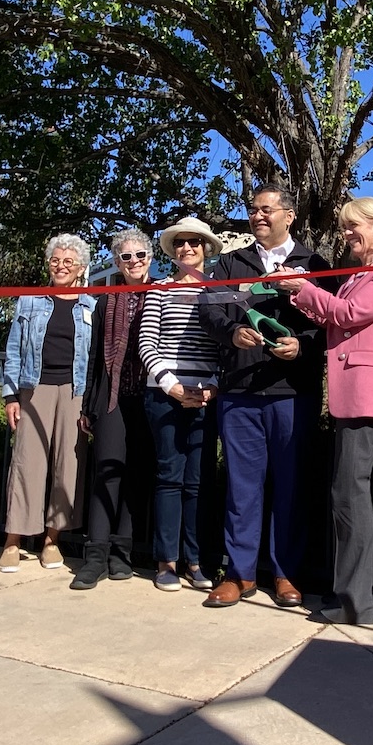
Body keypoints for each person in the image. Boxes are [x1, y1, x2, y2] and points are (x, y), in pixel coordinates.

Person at [269, 196, 373, 625]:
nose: (347, 235)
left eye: (355, 227)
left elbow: (346, 315)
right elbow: (338, 315)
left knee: (350, 498)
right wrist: (301, 293)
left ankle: (354, 603)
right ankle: (351, 596)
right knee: (348, 497)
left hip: (367, 400)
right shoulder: (359, 275)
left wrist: (302, 289)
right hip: (353, 399)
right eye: (345, 228)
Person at [198, 182, 332, 608]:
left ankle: (285, 573)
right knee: (242, 487)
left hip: (293, 392)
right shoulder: (230, 263)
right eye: (253, 210)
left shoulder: (314, 262)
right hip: (239, 392)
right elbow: (209, 309)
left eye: (266, 209)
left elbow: (331, 322)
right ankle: (239, 574)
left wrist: (304, 346)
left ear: (288, 215)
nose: (258, 216)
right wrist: (231, 331)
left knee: (290, 487)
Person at [0, 234, 96, 573]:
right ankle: (13, 540)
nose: (61, 266)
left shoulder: (91, 303)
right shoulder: (29, 301)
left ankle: (52, 540)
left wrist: (91, 405)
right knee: (27, 463)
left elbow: (94, 356)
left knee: (67, 466)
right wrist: (11, 395)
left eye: (68, 261)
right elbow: (14, 349)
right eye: (56, 260)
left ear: (81, 267)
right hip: (34, 387)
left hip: (74, 391)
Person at [137, 217, 224, 592]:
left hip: (206, 396)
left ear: (206, 248)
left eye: (194, 242)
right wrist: (172, 386)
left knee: (198, 481)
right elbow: (146, 343)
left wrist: (213, 388)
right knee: (169, 477)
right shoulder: (160, 289)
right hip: (164, 395)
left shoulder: (220, 290)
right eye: (180, 244)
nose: (187, 248)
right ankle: (166, 561)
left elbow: (225, 346)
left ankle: (196, 560)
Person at [70, 229, 156, 590]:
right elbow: (92, 356)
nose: (134, 262)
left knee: (138, 477)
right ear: (117, 262)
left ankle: (123, 554)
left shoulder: (161, 293)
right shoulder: (107, 300)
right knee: (106, 474)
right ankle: (95, 556)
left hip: (152, 396)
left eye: (140, 255)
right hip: (113, 397)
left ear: (150, 257)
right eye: (126, 256)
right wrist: (89, 402)